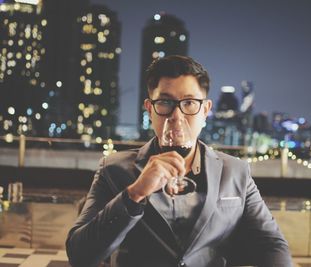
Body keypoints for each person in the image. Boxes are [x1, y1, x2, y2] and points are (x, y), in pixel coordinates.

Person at [66, 55, 292, 267]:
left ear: (205, 110)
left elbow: (272, 244)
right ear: (149, 109)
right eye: (165, 102)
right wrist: (135, 193)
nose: (176, 116)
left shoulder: (236, 171)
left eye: (189, 103)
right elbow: (80, 255)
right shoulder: (113, 169)